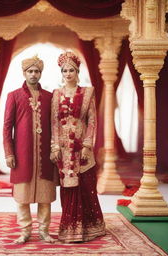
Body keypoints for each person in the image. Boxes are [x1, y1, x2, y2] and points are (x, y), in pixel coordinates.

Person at [50, 52, 106, 243]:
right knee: (68, 188)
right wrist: (55, 146)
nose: (67, 73)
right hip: (65, 151)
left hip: (82, 147)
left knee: (86, 186)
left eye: (71, 70)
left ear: (77, 71)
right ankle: (70, 228)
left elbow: (92, 120)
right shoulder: (56, 94)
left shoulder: (87, 92)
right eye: (64, 70)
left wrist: (87, 145)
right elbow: (54, 123)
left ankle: (90, 227)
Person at [3, 55, 57, 244]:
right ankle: (25, 231)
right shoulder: (14, 96)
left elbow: (55, 126)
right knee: (22, 196)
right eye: (30, 71)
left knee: (45, 196)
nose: (33, 74)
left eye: (37, 71)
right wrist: (9, 152)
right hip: (22, 154)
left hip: (45, 155)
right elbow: (6, 126)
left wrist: (55, 148)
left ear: (41, 73)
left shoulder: (50, 97)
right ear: (24, 73)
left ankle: (44, 231)